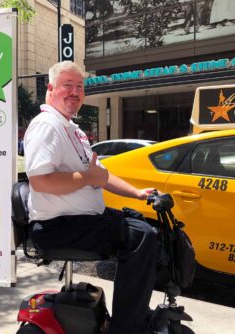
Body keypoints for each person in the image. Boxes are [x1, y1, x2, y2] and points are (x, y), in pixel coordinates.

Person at [24, 61, 158, 334]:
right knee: (142, 238)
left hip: (79, 221)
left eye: (79, 87)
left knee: (145, 228)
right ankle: (128, 327)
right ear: (50, 89)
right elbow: (40, 181)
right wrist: (87, 178)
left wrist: (137, 193)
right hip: (58, 226)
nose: (75, 92)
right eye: (67, 86)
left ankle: (129, 317)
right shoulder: (47, 126)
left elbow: (102, 175)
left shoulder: (71, 128)